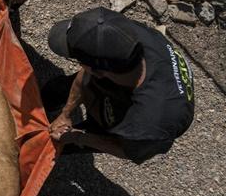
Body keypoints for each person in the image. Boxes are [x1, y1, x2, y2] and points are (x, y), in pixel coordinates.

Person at [44, 8, 195, 164]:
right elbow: (86, 72)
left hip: (131, 125)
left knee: (60, 143)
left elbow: (125, 149)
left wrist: (76, 137)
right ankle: (48, 103)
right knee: (57, 90)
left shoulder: (148, 125)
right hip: (111, 79)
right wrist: (66, 113)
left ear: (99, 72)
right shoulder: (122, 33)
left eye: (79, 59)